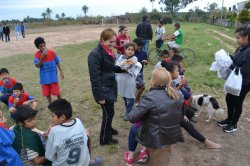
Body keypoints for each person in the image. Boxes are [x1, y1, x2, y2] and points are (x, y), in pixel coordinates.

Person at [126, 67, 184, 166]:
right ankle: (144, 151)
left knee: (158, 161)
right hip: (171, 134)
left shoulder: (150, 98)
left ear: (153, 81)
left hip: (156, 139)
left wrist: (137, 106)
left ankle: (134, 154)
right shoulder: (178, 94)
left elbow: (131, 117)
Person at [162, 62, 223, 149]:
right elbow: (173, 100)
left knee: (191, 113)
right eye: (176, 71)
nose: (179, 72)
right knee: (188, 124)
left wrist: (181, 87)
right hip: (170, 111)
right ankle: (207, 143)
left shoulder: (171, 82)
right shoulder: (166, 84)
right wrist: (182, 115)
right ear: (171, 73)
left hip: (176, 107)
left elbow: (179, 99)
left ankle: (177, 130)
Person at [88, 28, 125, 145]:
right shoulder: (95, 55)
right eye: (110, 42)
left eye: (114, 41)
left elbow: (110, 67)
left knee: (110, 112)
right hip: (103, 89)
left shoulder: (108, 51)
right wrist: (100, 96)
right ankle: (104, 138)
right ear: (102, 40)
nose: (113, 44)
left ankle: (108, 129)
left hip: (110, 85)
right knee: (109, 113)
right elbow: (95, 78)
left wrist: (122, 69)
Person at [45, 99, 101, 166]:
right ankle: (89, 162)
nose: (51, 119)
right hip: (83, 164)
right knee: (87, 131)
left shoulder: (54, 131)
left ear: (62, 117)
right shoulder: (78, 121)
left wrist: (49, 137)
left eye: (53, 116)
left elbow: (49, 157)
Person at [218, 26, 250, 133]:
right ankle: (229, 119)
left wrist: (230, 65)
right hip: (236, 80)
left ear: (246, 37)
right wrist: (228, 57)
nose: (236, 40)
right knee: (229, 98)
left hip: (244, 82)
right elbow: (237, 60)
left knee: (237, 102)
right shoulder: (241, 48)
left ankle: (234, 124)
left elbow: (245, 71)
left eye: (238, 38)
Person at [34, 37, 64, 104]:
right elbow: (38, 66)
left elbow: (57, 62)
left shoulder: (52, 52)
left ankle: (61, 104)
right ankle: (51, 106)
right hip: (44, 79)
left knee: (57, 93)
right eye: (41, 46)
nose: (43, 47)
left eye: (44, 45)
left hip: (53, 78)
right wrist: (42, 58)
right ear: (38, 47)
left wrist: (61, 72)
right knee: (47, 94)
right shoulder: (37, 55)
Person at [116, 43, 142, 117]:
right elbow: (118, 66)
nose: (130, 51)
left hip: (129, 81)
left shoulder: (134, 59)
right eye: (128, 49)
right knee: (124, 96)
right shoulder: (121, 57)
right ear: (125, 50)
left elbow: (128, 69)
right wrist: (123, 66)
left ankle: (129, 113)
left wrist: (123, 66)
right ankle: (127, 111)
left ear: (134, 52)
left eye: (132, 50)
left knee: (130, 98)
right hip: (122, 81)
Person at [133, 38, 148, 104]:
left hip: (140, 73)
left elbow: (146, 61)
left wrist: (145, 61)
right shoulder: (132, 53)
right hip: (134, 73)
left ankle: (136, 98)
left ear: (139, 46)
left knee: (139, 87)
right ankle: (136, 99)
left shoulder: (144, 53)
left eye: (134, 45)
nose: (132, 46)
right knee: (142, 86)